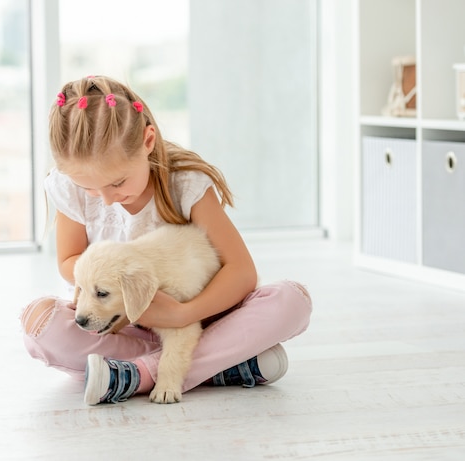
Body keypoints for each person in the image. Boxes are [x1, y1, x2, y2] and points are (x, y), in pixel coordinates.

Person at [20, 75, 312, 405]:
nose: (106, 199)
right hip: (121, 324)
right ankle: (220, 365)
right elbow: (68, 261)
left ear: (147, 141)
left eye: (117, 182)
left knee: (291, 301)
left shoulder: (186, 184)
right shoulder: (69, 186)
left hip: (199, 319)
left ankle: (135, 374)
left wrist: (182, 315)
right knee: (39, 323)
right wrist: (116, 288)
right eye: (89, 188)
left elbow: (242, 272)